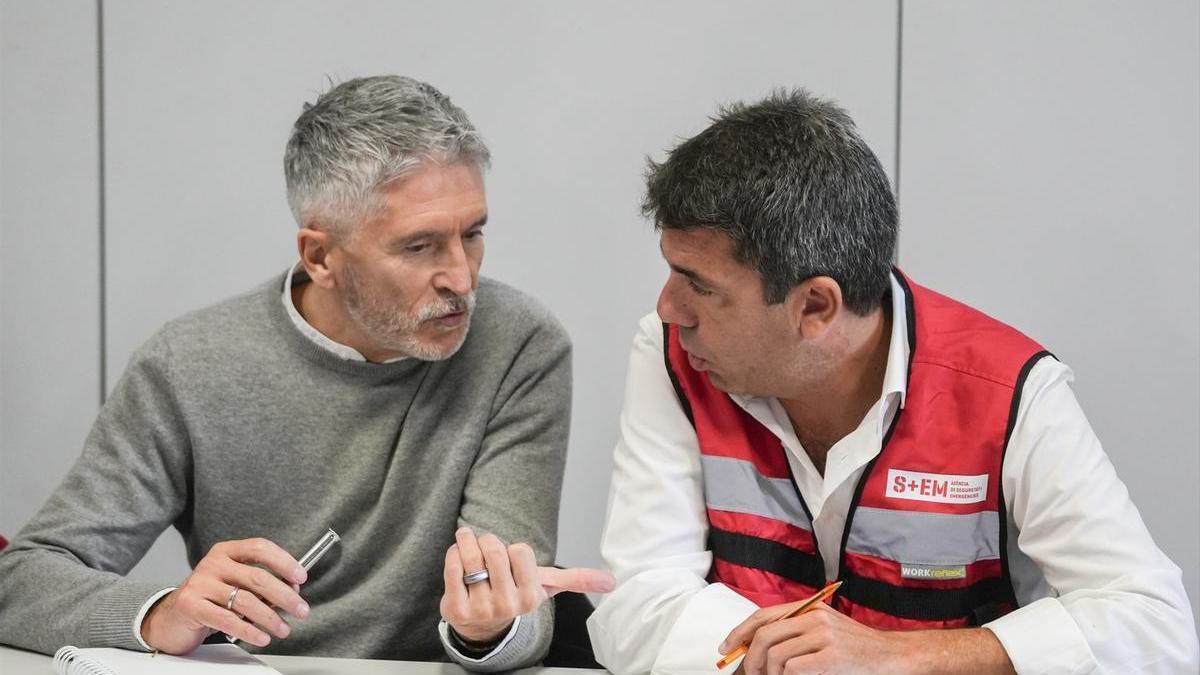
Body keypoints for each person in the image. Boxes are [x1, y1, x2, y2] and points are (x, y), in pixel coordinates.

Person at [0, 75, 611, 671]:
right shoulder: (188, 363)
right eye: (419, 246)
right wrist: (160, 613)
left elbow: (520, 612)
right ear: (320, 256)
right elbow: (21, 581)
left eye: (472, 234)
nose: (462, 277)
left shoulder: (519, 343)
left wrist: (492, 628)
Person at [587, 89, 1199, 674]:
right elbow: (637, 602)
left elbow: (1156, 629)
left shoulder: (1004, 389)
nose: (669, 308)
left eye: (700, 286)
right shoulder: (674, 355)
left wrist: (901, 658)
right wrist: (793, 658)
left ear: (816, 307)